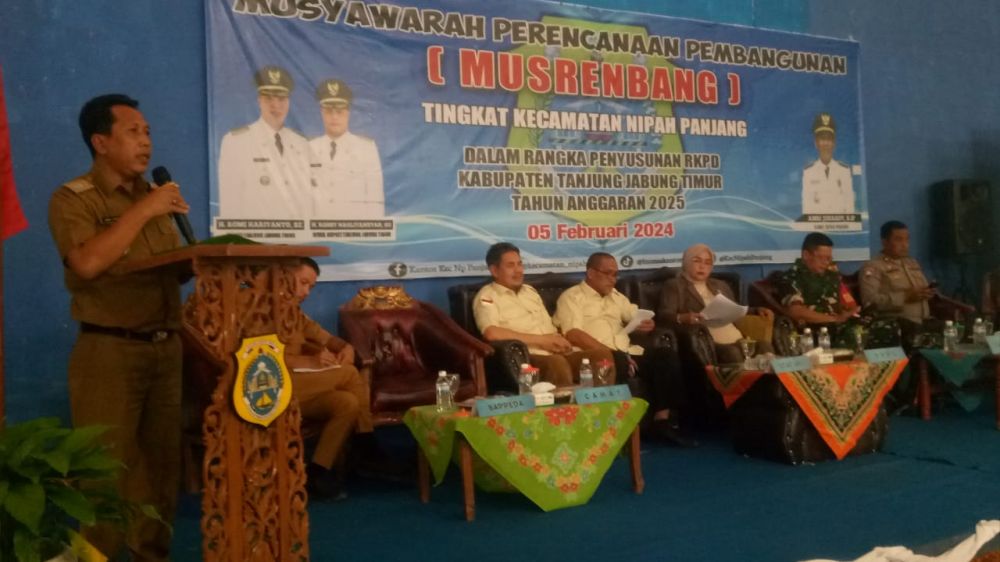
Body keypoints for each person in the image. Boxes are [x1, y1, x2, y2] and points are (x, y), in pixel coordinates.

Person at [47, 93, 190, 561]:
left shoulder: (154, 198)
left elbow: (167, 270)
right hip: (109, 352)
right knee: (103, 474)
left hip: (165, 348)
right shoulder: (74, 199)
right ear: (101, 142)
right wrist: (145, 211)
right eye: (133, 132)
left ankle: (151, 555)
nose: (145, 142)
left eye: (148, 132)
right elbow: (88, 263)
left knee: (161, 471)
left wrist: (197, 260)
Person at [286, 258, 406, 499]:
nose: (306, 292)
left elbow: (327, 338)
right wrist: (310, 361)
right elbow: (260, 358)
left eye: (311, 287)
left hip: (303, 388)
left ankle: (318, 472)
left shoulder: (294, 313)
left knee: (347, 403)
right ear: (283, 278)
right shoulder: (260, 312)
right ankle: (366, 443)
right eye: (302, 283)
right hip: (275, 387)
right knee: (349, 373)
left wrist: (346, 348)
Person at [554, 252, 696, 447]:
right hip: (594, 355)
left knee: (665, 356)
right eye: (608, 273)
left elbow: (637, 315)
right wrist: (610, 352)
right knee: (616, 360)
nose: (613, 279)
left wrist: (645, 324)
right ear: (591, 273)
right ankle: (617, 428)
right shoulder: (572, 297)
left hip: (626, 352)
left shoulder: (616, 296)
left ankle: (662, 422)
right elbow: (573, 333)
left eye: (615, 274)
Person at [473, 242, 614, 387]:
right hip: (528, 358)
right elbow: (491, 333)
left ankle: (603, 400)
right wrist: (542, 341)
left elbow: (548, 327)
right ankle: (566, 403)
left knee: (602, 355)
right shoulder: (488, 296)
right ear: (494, 270)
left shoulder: (530, 292)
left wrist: (560, 340)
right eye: (510, 266)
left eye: (520, 264)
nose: (518, 270)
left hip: (557, 352)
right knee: (557, 364)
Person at [218, 65, 315, 220]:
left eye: (281, 99)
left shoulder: (301, 143)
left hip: (297, 232)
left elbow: (307, 200)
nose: (275, 105)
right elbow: (230, 202)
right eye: (269, 98)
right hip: (255, 233)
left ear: (288, 102)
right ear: (259, 101)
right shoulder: (236, 142)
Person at [659, 243, 774, 365]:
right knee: (732, 352)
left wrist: (756, 310)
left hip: (736, 337)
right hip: (710, 342)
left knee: (764, 346)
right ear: (686, 262)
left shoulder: (720, 285)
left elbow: (734, 308)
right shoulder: (674, 286)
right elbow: (663, 315)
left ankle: (773, 377)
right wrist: (683, 318)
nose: (702, 266)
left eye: (707, 263)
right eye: (697, 261)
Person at [309, 78, 384, 218]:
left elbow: (375, 202)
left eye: (339, 111)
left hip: (353, 228)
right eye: (329, 111)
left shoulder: (366, 149)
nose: (334, 117)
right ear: (322, 113)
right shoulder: (308, 148)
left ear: (348, 113)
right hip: (317, 228)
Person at [775, 232, 860, 348]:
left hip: (838, 328)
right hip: (812, 333)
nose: (826, 262)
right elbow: (796, 311)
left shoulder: (832, 277)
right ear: (806, 255)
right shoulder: (791, 278)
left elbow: (845, 303)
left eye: (829, 258)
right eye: (820, 258)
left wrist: (850, 312)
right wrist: (834, 319)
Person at [802, 112, 854, 215]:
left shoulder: (844, 171)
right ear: (816, 143)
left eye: (829, 139)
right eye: (822, 139)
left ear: (834, 143)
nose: (825, 143)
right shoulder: (808, 172)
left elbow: (849, 206)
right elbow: (807, 208)